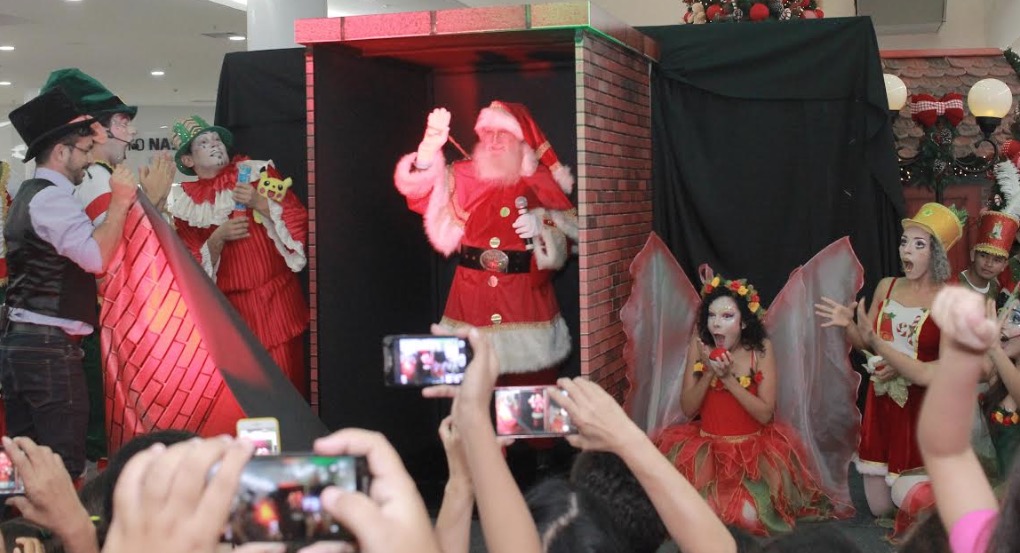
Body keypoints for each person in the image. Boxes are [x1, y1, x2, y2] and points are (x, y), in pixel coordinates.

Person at [38, 67, 177, 465]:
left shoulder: (96, 179)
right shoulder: (95, 182)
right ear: (94, 131)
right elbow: (110, 259)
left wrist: (154, 203)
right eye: (122, 122)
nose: (130, 133)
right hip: (98, 331)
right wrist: (147, 202)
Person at [3, 87, 137, 478]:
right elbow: (96, 258)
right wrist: (120, 202)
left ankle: (25, 537)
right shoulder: (51, 200)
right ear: (61, 152)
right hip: (47, 350)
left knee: (28, 463)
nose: (87, 160)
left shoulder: (34, 196)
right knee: (60, 464)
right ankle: (57, 537)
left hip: (28, 345)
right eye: (82, 151)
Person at [393, 102, 577, 383]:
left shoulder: (540, 180)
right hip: (469, 302)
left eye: (502, 133)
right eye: (487, 132)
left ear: (521, 140)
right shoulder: (465, 174)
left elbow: (570, 238)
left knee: (529, 405)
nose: (493, 140)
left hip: (524, 308)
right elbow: (421, 198)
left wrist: (540, 227)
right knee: (465, 400)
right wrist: (427, 154)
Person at [653, 277, 840, 535]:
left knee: (745, 516)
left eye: (727, 316)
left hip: (753, 454)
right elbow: (687, 409)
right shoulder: (700, 347)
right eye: (712, 315)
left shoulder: (761, 351)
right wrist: (708, 373)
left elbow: (765, 414)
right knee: (700, 513)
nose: (717, 323)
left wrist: (727, 379)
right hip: (707, 453)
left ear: (742, 322)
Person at [816, 202, 964, 521]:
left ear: (937, 254)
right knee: (881, 509)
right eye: (904, 242)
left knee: (911, 503)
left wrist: (898, 362)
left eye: (918, 244)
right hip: (881, 403)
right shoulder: (888, 286)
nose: (906, 250)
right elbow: (865, 343)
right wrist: (849, 326)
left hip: (921, 408)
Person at [167, 115, 309, 397]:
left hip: (275, 301)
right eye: (204, 142)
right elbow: (188, 260)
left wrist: (259, 202)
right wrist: (218, 237)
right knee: (245, 395)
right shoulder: (184, 202)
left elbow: (297, 218)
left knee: (286, 386)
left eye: (217, 139)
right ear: (188, 161)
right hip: (230, 312)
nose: (215, 145)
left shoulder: (258, 173)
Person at [915, 286, 1020, 553]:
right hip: (1001, 493)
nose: (1006, 324)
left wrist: (994, 348)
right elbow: (931, 374)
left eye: (1015, 318)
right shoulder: (996, 372)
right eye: (1007, 315)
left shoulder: (1000, 364)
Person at [951, 210, 1017, 302]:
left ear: (1004, 265)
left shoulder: (996, 290)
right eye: (983, 256)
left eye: (997, 260)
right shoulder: (951, 285)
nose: (989, 264)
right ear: (973, 255)